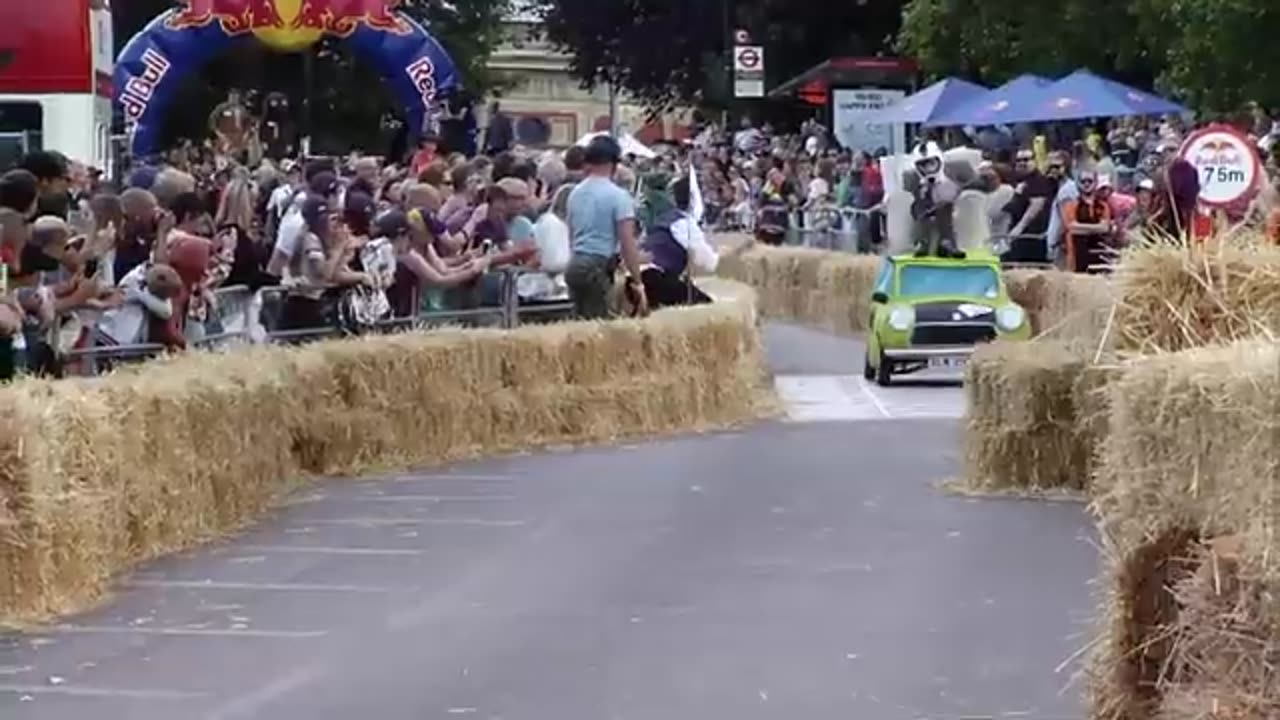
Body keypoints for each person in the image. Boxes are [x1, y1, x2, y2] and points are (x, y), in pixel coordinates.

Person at [564, 135, 647, 319]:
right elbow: (627, 243)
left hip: (575, 265)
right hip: (598, 266)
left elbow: (571, 234)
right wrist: (637, 280)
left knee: (580, 325)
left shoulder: (574, 194)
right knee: (600, 327)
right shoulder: (619, 196)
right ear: (614, 164)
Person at [632, 176, 717, 310]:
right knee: (708, 308)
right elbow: (706, 263)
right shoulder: (683, 223)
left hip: (637, 276)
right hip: (655, 279)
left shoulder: (663, 219)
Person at [1003, 149, 1058, 263]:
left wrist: (1019, 228)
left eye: (1026, 160)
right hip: (1018, 237)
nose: (1022, 163)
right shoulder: (1017, 180)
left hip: (1033, 236)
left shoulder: (1039, 180)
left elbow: (1036, 205)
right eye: (1018, 160)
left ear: (1034, 161)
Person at [1062, 170, 1113, 274]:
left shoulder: (1103, 206)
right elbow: (1071, 227)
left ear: (1095, 183)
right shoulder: (1071, 205)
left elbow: (1105, 228)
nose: (1086, 184)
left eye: (1090, 181)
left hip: (1098, 254)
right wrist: (1096, 228)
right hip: (1076, 256)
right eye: (1083, 181)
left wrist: (1082, 228)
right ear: (1078, 183)